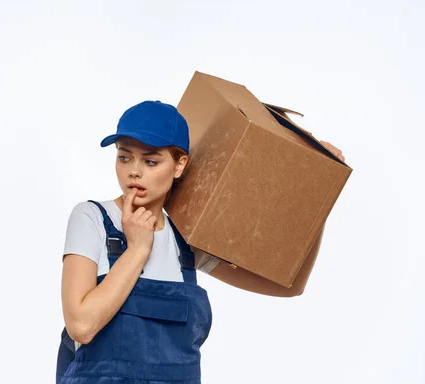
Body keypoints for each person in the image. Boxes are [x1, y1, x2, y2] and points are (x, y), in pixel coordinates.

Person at [57, 100, 346, 383]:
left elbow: (290, 286)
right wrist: (138, 249)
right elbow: (81, 326)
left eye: (150, 160)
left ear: (179, 165)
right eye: (124, 157)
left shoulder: (186, 241)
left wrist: (320, 194)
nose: (134, 170)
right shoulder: (92, 219)